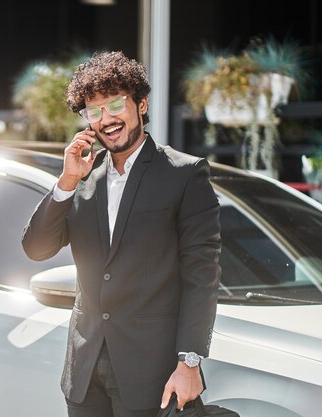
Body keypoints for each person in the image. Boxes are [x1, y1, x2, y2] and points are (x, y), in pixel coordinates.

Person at [22, 51, 221, 417]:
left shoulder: (184, 174)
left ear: (141, 104)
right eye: (93, 111)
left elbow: (201, 274)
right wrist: (67, 181)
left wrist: (189, 362)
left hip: (151, 375)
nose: (106, 119)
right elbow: (36, 248)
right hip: (83, 372)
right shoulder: (82, 175)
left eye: (115, 104)